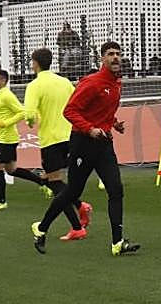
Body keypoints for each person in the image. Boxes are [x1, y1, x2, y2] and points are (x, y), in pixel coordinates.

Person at [32, 40, 140, 257]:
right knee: (73, 191)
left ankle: (118, 242)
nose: (115, 57)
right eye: (111, 54)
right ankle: (41, 228)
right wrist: (90, 129)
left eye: (118, 53)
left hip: (104, 143)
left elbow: (102, 109)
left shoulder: (116, 83)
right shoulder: (92, 82)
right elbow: (70, 111)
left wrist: (113, 123)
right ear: (102, 58)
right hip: (83, 143)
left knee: (115, 189)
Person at [23, 48, 88, 240]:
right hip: (71, 136)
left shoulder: (35, 85)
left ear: (35, 63)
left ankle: (77, 226)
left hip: (51, 139)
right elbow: (78, 104)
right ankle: (80, 206)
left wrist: (30, 121)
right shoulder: (64, 82)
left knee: (55, 183)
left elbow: (29, 113)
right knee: (56, 179)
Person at [0, 68, 48, 210]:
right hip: (5, 138)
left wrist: (6, 123)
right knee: (11, 169)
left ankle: (1, 201)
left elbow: (22, 112)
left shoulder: (6, 95)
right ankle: (43, 183)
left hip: (7, 139)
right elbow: (3, 114)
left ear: (3, 81)